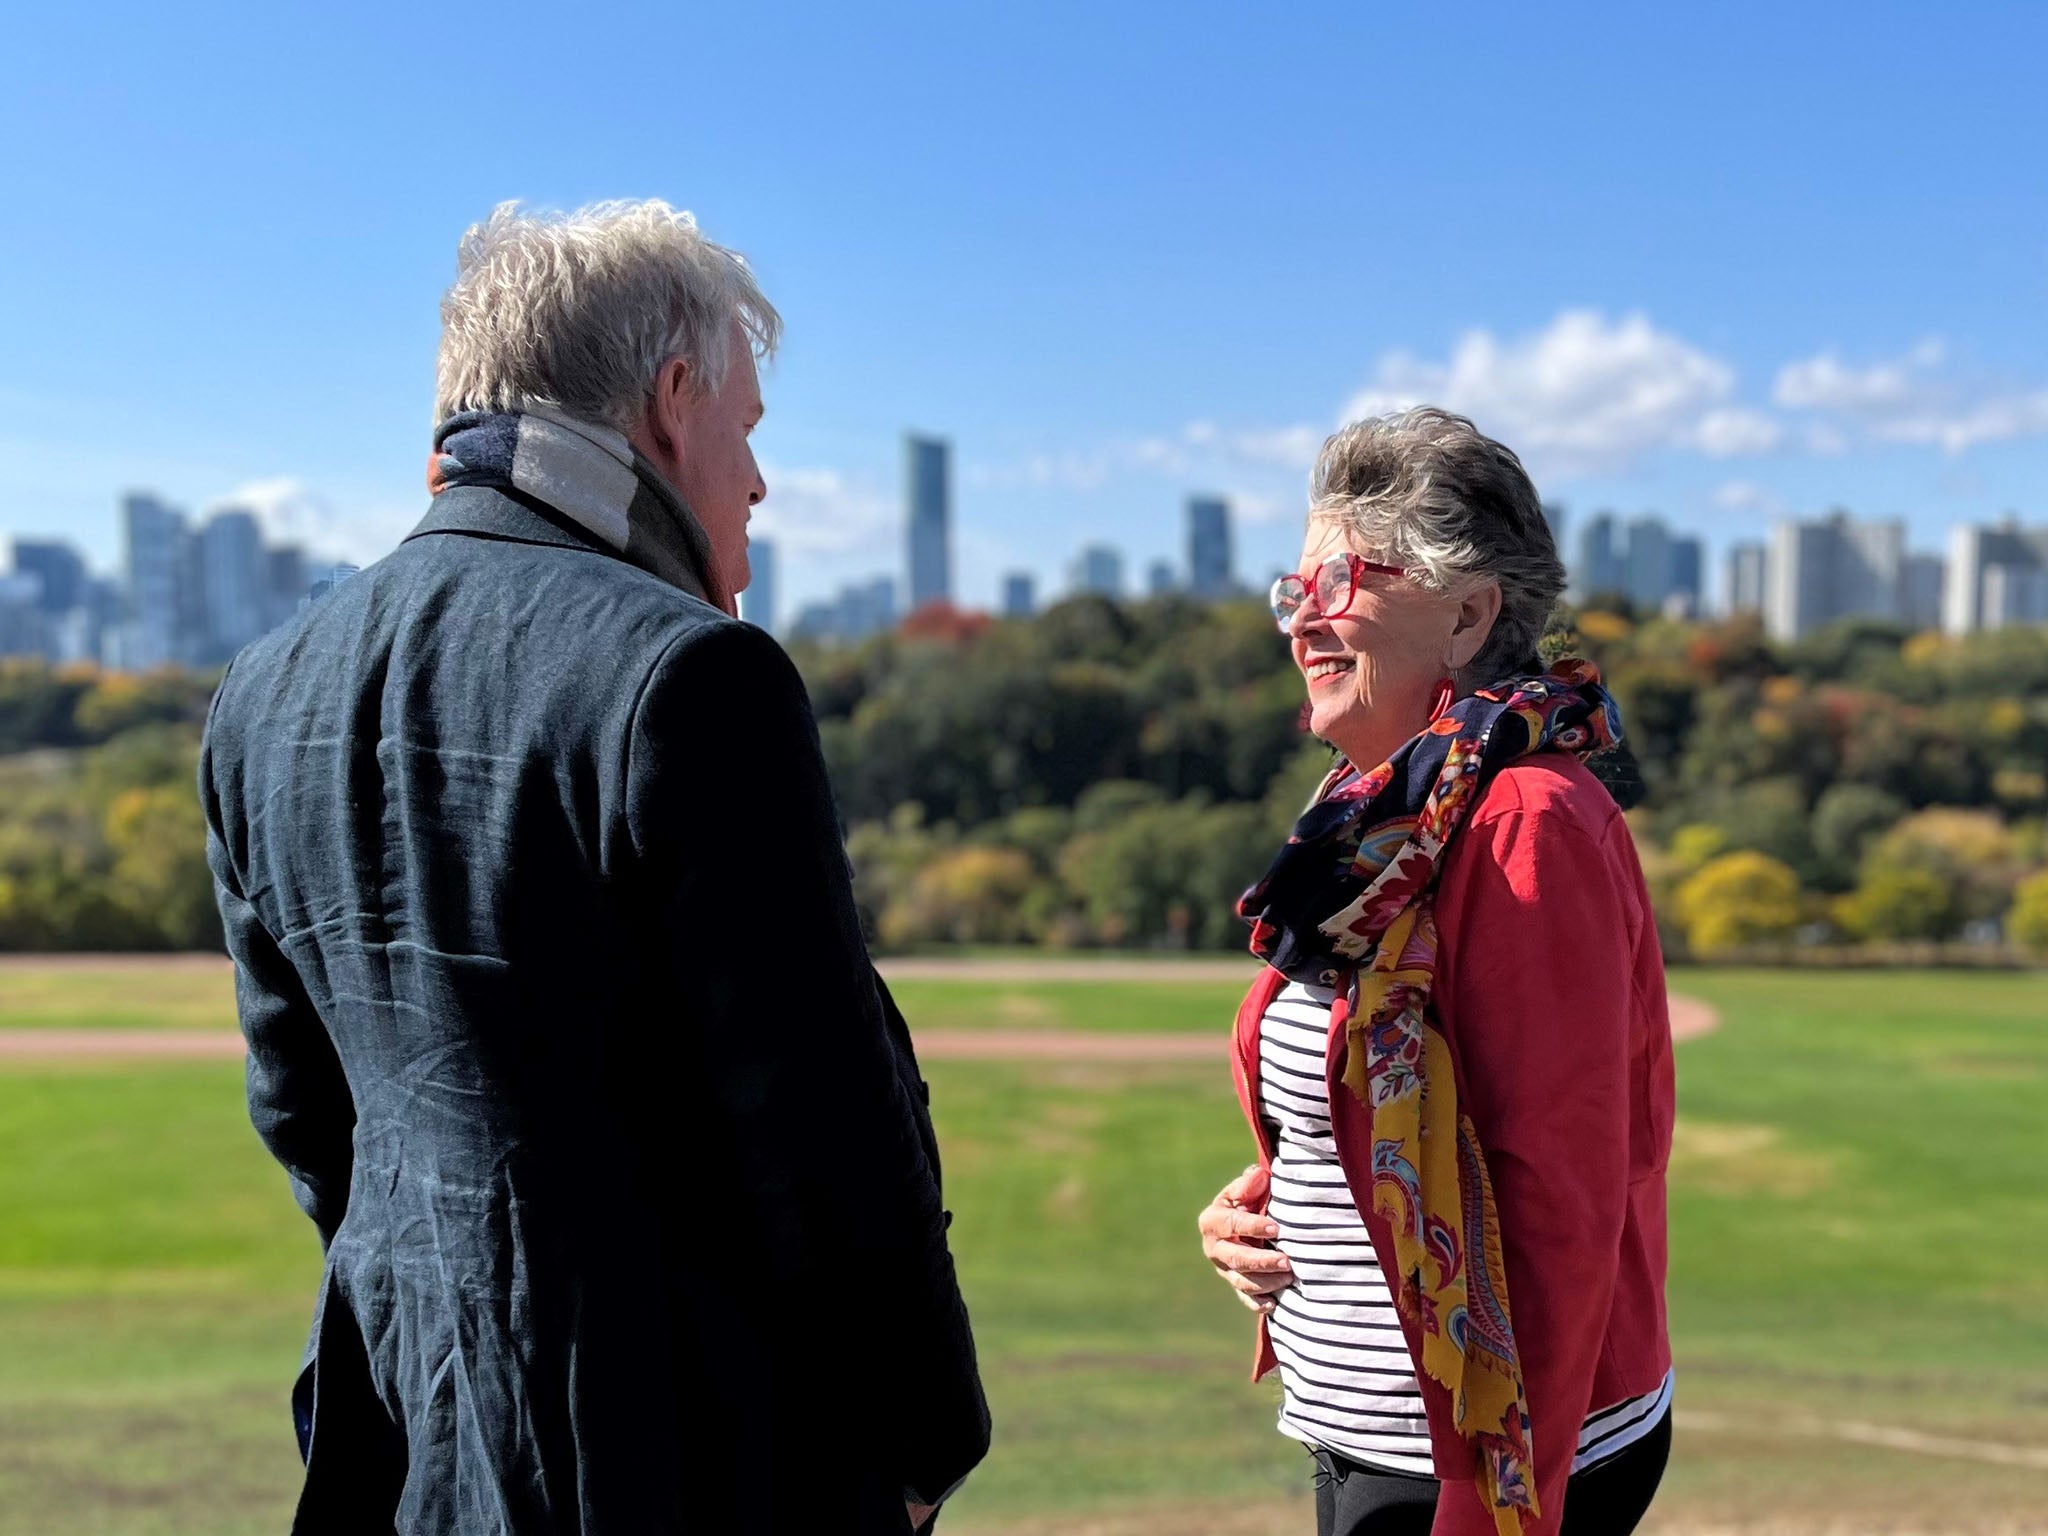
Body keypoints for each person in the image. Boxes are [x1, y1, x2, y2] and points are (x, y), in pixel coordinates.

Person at [199, 200, 988, 1535]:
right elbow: (824, 1139)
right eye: (747, 434)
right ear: (672, 403)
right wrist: (917, 1453)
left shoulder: (262, 692)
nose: (756, 484)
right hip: (694, 1463)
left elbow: (310, 1123)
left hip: (409, 1451)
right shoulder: (693, 674)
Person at [1196, 409, 1674, 1536]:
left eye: (1342, 581)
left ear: (1468, 613)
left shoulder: (1526, 819)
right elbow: (1391, 1109)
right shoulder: (1378, 814)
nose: (1302, 620)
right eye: (1290, 591)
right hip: (1371, 1432)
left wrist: (1496, 1504)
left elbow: (1553, 1205)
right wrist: (1269, 1206)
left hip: (1474, 1463)